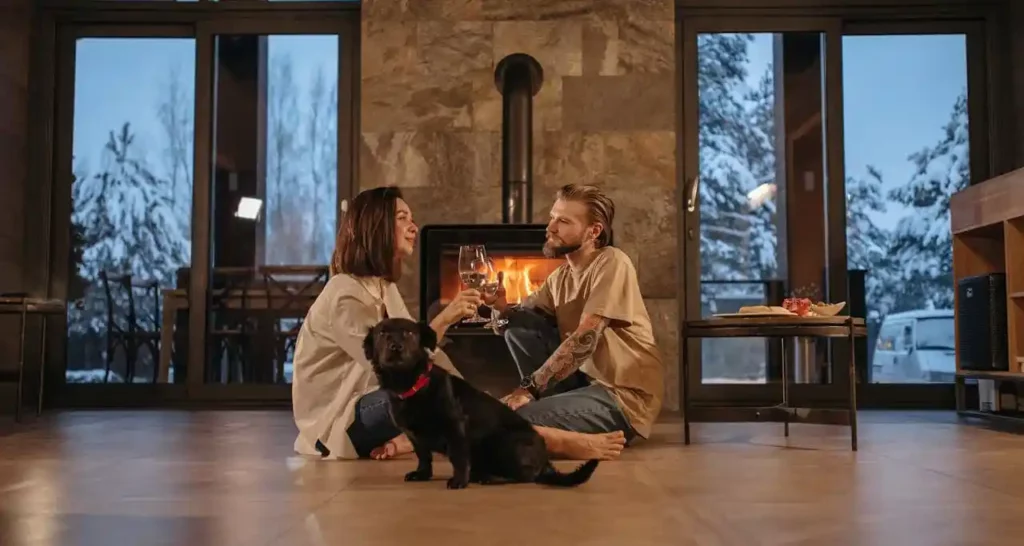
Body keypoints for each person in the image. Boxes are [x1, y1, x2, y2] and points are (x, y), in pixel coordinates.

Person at [291, 186, 626, 461]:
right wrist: (446, 318)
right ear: (375, 226)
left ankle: (426, 436)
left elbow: (430, 357)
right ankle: (557, 442)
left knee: (459, 402)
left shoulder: (382, 288)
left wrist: (471, 389)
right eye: (402, 218)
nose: (413, 226)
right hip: (343, 419)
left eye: (412, 218)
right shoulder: (345, 294)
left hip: (381, 400)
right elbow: (394, 366)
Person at [484, 184, 664, 446]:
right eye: (552, 217)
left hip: (621, 395)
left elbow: (586, 337)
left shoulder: (612, 262)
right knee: (518, 323)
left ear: (594, 231)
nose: (551, 228)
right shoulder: (560, 278)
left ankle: (566, 429)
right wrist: (499, 308)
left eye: (564, 221)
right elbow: (508, 327)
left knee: (509, 422)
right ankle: (552, 414)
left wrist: (529, 388)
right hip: (582, 385)